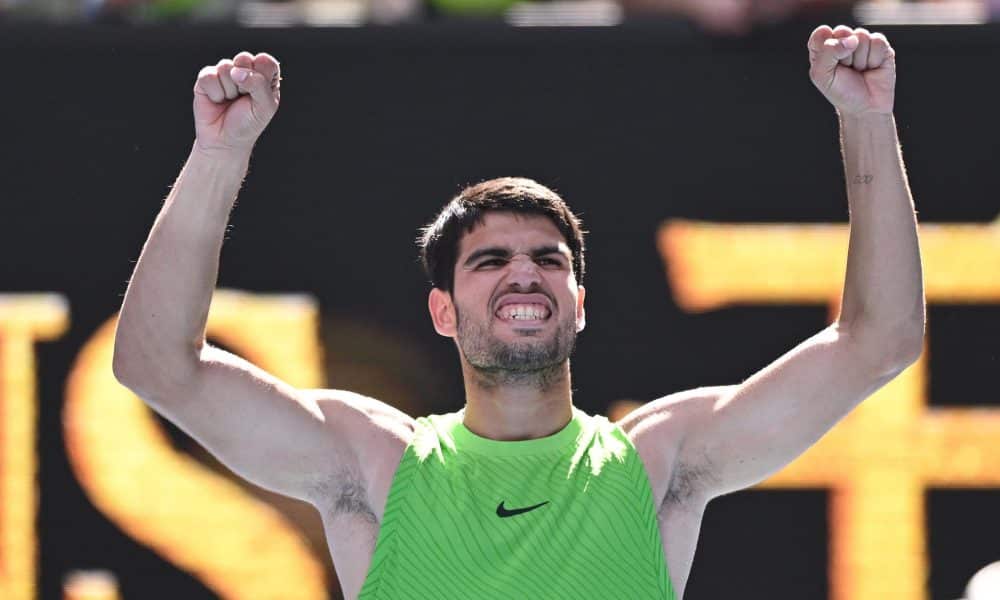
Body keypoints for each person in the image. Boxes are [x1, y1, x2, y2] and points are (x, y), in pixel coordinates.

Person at [112, 24, 925, 599]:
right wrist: (219, 155)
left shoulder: (656, 464)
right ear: (442, 310)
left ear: (579, 304)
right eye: (489, 261)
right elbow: (156, 366)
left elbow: (879, 341)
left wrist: (867, 121)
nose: (523, 275)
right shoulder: (375, 465)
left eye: (548, 260)